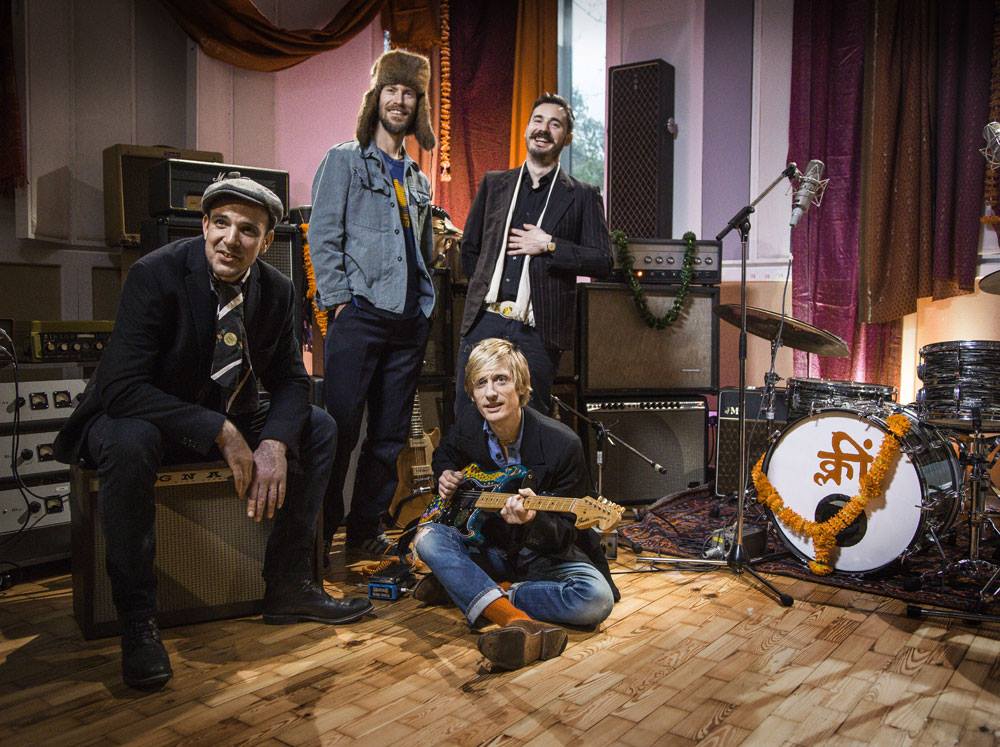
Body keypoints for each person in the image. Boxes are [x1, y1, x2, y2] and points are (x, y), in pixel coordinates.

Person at [54, 174, 373, 691]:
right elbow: (121, 388)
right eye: (221, 223)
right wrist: (221, 431)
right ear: (203, 225)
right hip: (142, 414)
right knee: (130, 441)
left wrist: (274, 442)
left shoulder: (277, 289)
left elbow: (292, 380)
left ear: (265, 243)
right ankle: (138, 620)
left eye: (248, 230)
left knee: (318, 427)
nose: (231, 239)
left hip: (221, 410)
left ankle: (289, 585)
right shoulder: (154, 274)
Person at [413, 338, 619, 671]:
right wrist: (445, 474)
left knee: (595, 600)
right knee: (427, 538)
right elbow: (444, 454)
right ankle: (508, 614)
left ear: (521, 386)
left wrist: (531, 520)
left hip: (542, 557)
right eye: (481, 383)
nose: (491, 393)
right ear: (472, 393)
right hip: (490, 548)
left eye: (501, 380)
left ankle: (478, 592)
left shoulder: (563, 444)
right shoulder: (468, 425)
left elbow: (566, 535)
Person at [309, 49, 437, 558]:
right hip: (359, 317)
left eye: (409, 93)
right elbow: (322, 236)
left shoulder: (418, 179)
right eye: (392, 90)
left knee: (388, 439)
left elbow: (422, 250)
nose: (399, 100)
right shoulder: (344, 160)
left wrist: (424, 307)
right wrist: (340, 303)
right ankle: (317, 537)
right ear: (376, 97)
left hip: (408, 324)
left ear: (418, 105)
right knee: (338, 432)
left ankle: (364, 535)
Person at [456, 93, 613, 416]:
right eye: (538, 120)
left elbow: (603, 260)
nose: (544, 129)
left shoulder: (582, 195)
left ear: (567, 138)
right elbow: (469, 249)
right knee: (469, 416)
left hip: (538, 331)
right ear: (527, 128)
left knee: (531, 418)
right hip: (484, 321)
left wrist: (550, 245)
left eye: (555, 124)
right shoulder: (495, 184)